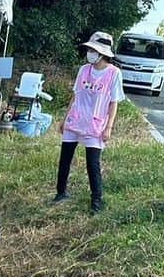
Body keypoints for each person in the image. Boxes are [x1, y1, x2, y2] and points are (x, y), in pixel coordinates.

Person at [53, 31, 125, 213]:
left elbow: (113, 102)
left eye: (93, 50)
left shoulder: (114, 73)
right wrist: (64, 119)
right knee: (65, 159)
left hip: (95, 124)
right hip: (75, 119)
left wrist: (109, 127)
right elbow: (75, 95)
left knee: (92, 163)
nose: (90, 53)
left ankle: (96, 200)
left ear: (103, 53)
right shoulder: (84, 70)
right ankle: (60, 192)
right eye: (89, 49)